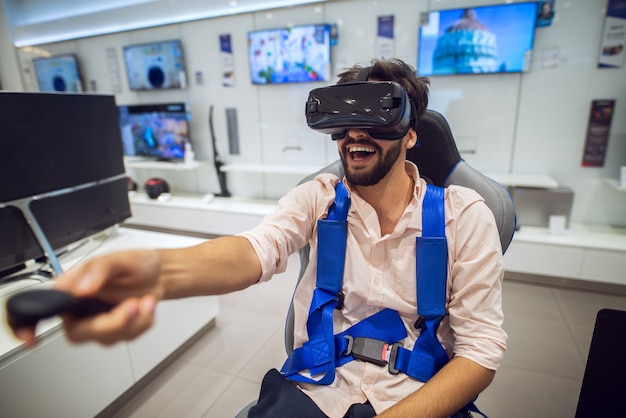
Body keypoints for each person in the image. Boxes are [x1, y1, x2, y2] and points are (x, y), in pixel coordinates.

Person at [13, 58, 507, 418]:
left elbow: (480, 353)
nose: (353, 136)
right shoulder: (318, 198)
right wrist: (149, 272)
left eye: (374, 118)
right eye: (341, 122)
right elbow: (253, 251)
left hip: (417, 394)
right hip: (320, 385)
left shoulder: (465, 217)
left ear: (410, 133)